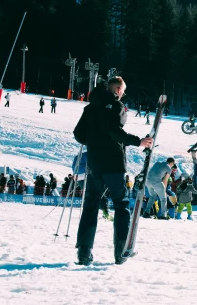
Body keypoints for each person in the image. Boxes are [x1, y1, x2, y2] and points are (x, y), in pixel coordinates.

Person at [73, 76, 154, 266]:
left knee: (91, 205)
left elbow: (78, 134)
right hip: (113, 164)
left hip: (94, 164)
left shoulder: (90, 107)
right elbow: (114, 131)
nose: (123, 94)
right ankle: (121, 251)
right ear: (117, 89)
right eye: (122, 91)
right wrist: (139, 141)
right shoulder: (117, 107)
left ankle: (84, 253)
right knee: (121, 203)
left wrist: (93, 142)